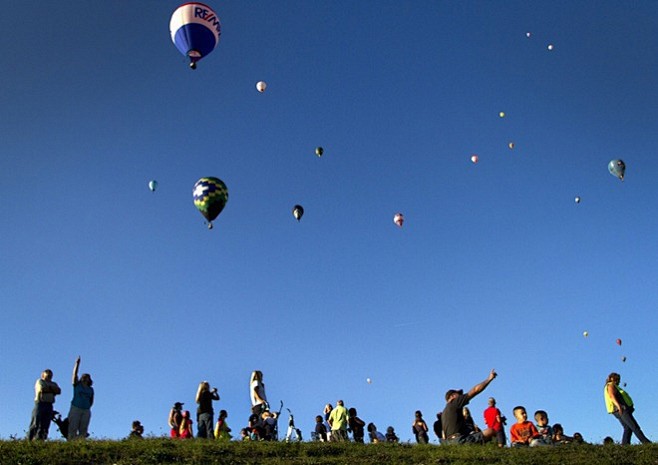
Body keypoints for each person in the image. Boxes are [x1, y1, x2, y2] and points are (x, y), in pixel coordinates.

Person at [441, 369, 497, 444]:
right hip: (459, 440)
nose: (461, 395)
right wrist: (489, 379)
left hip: (449, 442)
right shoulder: (455, 402)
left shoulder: (445, 412)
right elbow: (475, 390)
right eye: (459, 394)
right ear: (452, 396)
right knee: (491, 431)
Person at [604, 372, 651, 444]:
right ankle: (646, 442)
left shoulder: (613, 386)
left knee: (627, 428)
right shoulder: (611, 385)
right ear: (612, 379)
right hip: (620, 409)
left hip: (619, 409)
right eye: (617, 379)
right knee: (634, 426)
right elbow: (611, 396)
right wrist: (619, 406)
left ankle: (625, 444)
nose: (618, 381)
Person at [28, 369, 62, 440]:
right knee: (35, 423)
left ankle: (41, 440)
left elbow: (58, 391)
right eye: (47, 374)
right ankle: (30, 439)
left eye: (50, 375)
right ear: (43, 375)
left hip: (49, 404)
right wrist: (52, 390)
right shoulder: (40, 381)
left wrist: (49, 389)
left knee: (45, 424)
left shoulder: (54, 383)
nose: (49, 376)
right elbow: (42, 389)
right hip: (40, 403)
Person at [67, 356, 94, 440]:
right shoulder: (77, 385)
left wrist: (88, 406)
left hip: (86, 409)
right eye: (84, 377)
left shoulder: (90, 389)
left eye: (87, 377)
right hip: (76, 408)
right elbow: (74, 375)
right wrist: (77, 364)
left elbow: (91, 400)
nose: (86, 378)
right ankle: (71, 441)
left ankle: (81, 442)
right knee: (73, 426)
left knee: (83, 428)